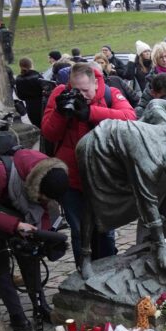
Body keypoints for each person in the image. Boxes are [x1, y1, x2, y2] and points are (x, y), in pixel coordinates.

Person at [0, 147, 69, 331]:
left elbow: (42, 208)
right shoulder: (0, 171)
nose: (44, 199)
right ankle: (17, 316)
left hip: (13, 207)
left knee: (30, 257)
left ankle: (40, 307)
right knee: (0, 264)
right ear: (36, 187)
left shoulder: (48, 173)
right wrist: (17, 225)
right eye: (43, 196)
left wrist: (41, 235)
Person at [40, 62, 135, 264]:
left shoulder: (109, 93)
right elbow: (49, 132)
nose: (81, 95)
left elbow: (129, 119)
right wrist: (61, 112)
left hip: (103, 176)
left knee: (105, 229)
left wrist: (90, 113)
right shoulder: (60, 93)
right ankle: (85, 272)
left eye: (85, 90)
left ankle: (109, 268)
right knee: (80, 231)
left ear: (95, 83)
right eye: (76, 90)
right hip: (72, 178)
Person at [15, 57, 46, 128]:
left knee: (37, 126)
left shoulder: (18, 79)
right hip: (41, 104)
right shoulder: (37, 76)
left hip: (30, 106)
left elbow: (20, 96)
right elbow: (45, 88)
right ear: (31, 65)